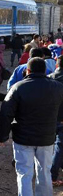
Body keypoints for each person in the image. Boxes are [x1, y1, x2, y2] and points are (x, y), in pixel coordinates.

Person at [0, 58, 63, 196]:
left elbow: (6, 113)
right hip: (46, 137)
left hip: (23, 138)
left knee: (24, 173)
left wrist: (3, 136)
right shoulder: (57, 87)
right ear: (45, 70)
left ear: (27, 70)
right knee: (44, 172)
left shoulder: (18, 87)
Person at [49, 56, 63, 186]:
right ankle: (52, 175)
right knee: (60, 147)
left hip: (49, 118)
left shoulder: (49, 78)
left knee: (47, 146)